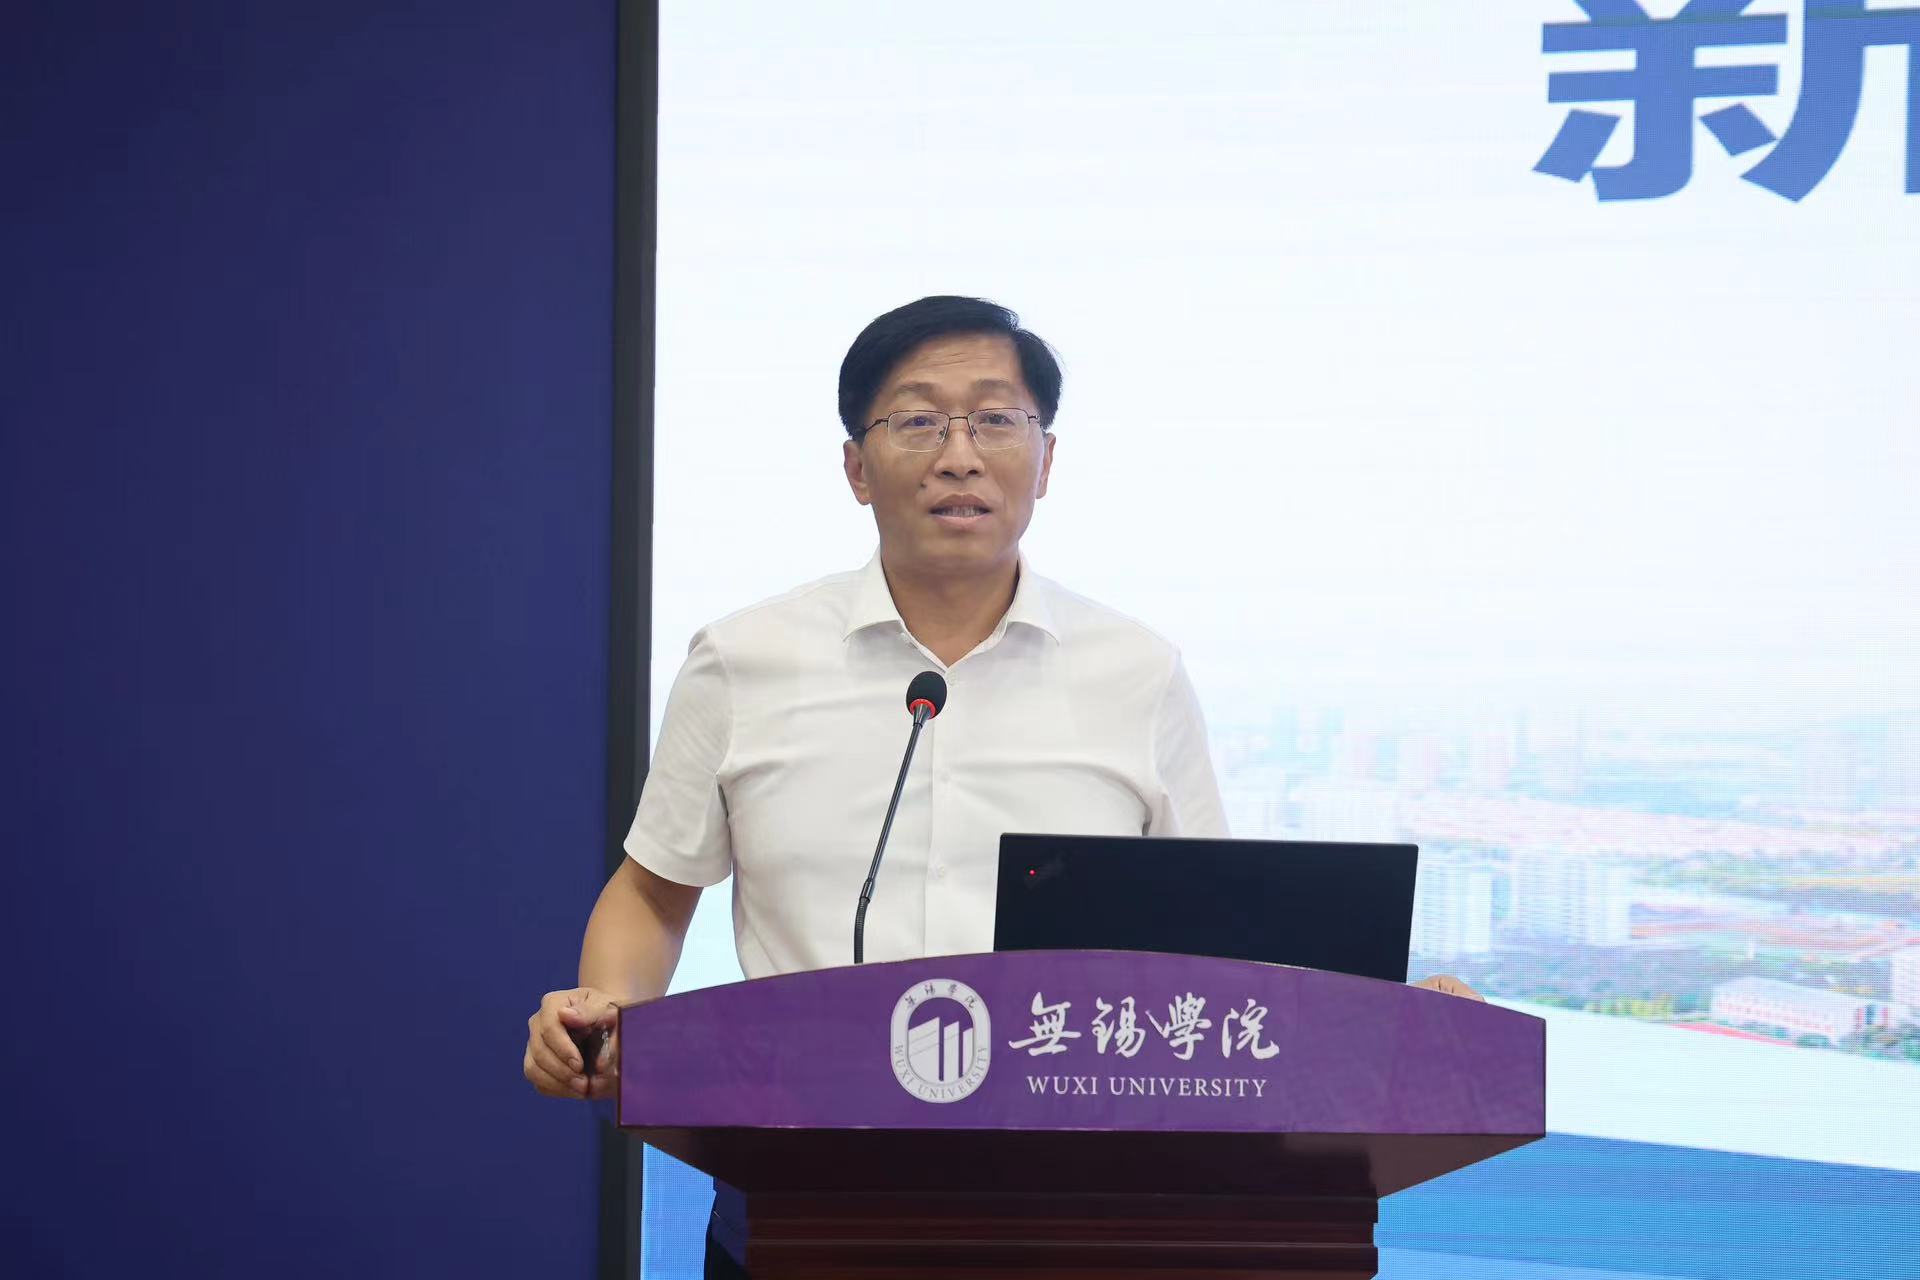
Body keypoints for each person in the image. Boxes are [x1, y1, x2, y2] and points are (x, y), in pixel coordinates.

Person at [523, 296, 1478, 1275]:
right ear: (856, 467)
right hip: (800, 1190)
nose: (959, 456)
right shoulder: (742, 661)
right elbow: (654, 890)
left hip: (1082, 1209)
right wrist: (606, 1011)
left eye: (993, 418)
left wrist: (1399, 1023)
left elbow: (1214, 947)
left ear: (1046, 458)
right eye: (918, 420)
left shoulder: (1136, 671)